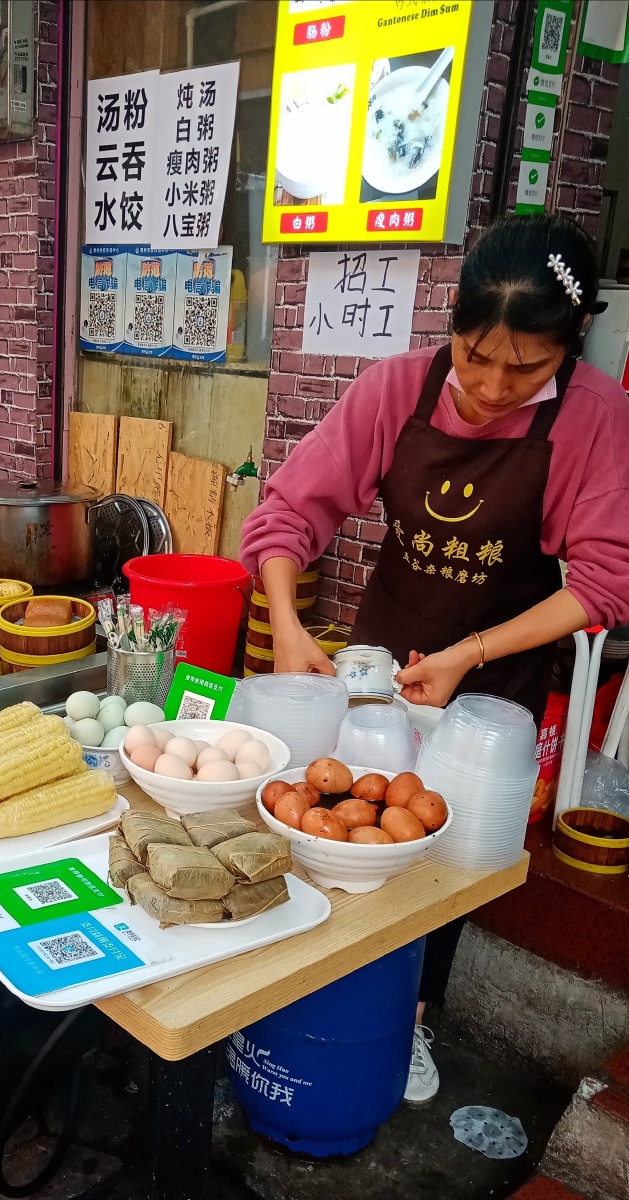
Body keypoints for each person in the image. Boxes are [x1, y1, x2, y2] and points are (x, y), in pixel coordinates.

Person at [240, 214, 629, 1104]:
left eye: (525, 366)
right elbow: (289, 512)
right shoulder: (393, 391)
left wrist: (469, 655)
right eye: (472, 355)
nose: (491, 387)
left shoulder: (595, 419)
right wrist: (290, 624)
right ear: (448, 326)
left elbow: (605, 581)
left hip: (496, 681)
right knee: (337, 823)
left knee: (443, 864)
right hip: (382, 666)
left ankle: (405, 1024)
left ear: (570, 346)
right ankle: (297, 1000)